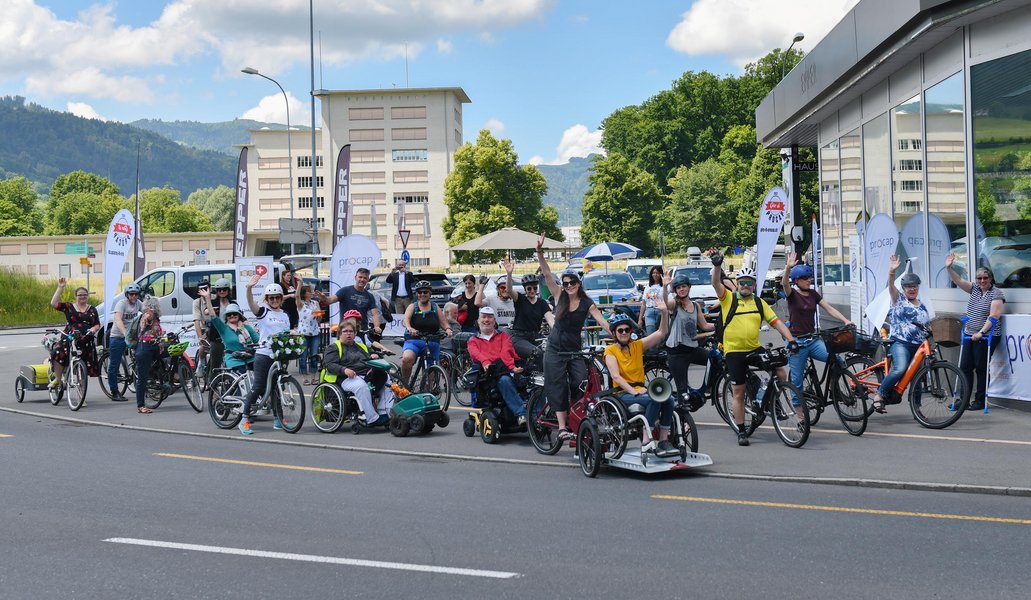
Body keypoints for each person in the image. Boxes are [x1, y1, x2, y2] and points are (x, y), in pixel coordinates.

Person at [711, 254, 798, 446]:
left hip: (752, 348)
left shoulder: (759, 303)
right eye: (742, 283)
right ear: (737, 283)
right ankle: (742, 430)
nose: (745, 286)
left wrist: (791, 340)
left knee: (780, 372)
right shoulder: (728, 299)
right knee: (739, 392)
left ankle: (773, 400)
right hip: (733, 351)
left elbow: (777, 323)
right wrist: (717, 266)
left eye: (749, 283)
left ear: (754, 286)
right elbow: (716, 283)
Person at [537, 233, 611, 440]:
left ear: (579, 283)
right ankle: (562, 427)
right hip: (555, 349)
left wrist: (616, 332)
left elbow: (601, 319)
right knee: (558, 385)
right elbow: (547, 273)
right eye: (566, 282)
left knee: (581, 382)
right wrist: (539, 252)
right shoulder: (559, 296)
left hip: (575, 350)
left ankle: (576, 419)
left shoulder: (587, 303)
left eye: (572, 282)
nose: (568, 285)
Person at [605, 306, 677, 456]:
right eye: (620, 330)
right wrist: (634, 391)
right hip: (622, 393)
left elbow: (662, 332)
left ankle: (663, 441)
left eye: (627, 330)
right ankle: (646, 442)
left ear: (631, 332)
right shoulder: (610, 350)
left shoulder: (637, 346)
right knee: (654, 400)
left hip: (640, 391)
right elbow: (616, 376)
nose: (624, 333)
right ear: (614, 333)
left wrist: (664, 312)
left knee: (669, 400)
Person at [781, 252, 853, 401]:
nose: (809, 280)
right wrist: (788, 268)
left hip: (812, 340)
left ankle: (835, 390)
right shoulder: (792, 295)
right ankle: (800, 416)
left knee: (836, 360)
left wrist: (846, 320)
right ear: (797, 281)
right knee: (797, 382)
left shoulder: (813, 294)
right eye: (805, 278)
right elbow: (784, 284)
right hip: (796, 342)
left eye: (809, 278)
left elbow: (829, 308)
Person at [872, 255, 931, 414]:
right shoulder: (898, 299)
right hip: (901, 343)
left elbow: (926, 324)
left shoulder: (923, 306)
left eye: (914, 286)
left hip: (918, 346)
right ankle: (879, 395)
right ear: (904, 289)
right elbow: (891, 285)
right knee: (900, 369)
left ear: (918, 288)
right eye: (908, 286)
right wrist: (892, 271)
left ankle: (917, 409)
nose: (912, 289)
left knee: (918, 378)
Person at [946, 252, 1003, 411]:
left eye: (985, 278)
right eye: (979, 278)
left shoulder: (996, 293)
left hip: (986, 336)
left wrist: (981, 333)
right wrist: (949, 268)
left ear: (990, 278)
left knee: (980, 368)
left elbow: (994, 316)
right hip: (970, 334)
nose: (982, 281)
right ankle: (963, 400)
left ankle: (979, 400)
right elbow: (958, 280)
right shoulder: (975, 289)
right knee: (965, 367)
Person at [240, 275, 292, 435]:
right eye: (271, 297)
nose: (275, 300)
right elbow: (251, 304)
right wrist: (249, 288)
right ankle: (244, 420)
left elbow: (285, 333)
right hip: (264, 355)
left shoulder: (285, 315)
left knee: (277, 388)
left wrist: (293, 332)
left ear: (281, 298)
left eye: (277, 297)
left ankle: (278, 420)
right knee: (258, 387)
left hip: (279, 356)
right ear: (267, 299)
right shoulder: (263, 312)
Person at [322, 319, 394, 427]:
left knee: (387, 379)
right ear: (340, 334)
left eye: (351, 331)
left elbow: (372, 353)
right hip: (345, 377)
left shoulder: (361, 346)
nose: (348, 334)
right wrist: (344, 370)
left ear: (355, 333)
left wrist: (374, 355)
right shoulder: (333, 347)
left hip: (365, 374)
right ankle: (372, 418)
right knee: (361, 386)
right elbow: (329, 364)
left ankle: (384, 413)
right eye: (345, 331)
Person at [467, 306, 527, 425]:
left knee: (535, 381)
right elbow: (476, 354)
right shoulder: (473, 340)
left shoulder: (503, 336)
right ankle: (521, 414)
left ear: (494, 321)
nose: (486, 320)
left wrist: (511, 367)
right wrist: (485, 362)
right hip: (487, 377)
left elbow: (506, 352)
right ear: (478, 321)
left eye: (490, 317)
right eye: (483, 317)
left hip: (506, 369)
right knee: (504, 381)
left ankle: (535, 414)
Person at [664, 272, 715, 403]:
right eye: (678, 287)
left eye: (684, 286)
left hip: (692, 348)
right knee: (682, 389)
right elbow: (665, 304)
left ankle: (709, 387)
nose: (681, 289)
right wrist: (665, 287)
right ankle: (684, 421)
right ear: (675, 290)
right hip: (677, 352)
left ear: (689, 287)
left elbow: (704, 326)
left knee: (714, 360)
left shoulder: (696, 306)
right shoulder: (674, 304)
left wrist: (721, 324)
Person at [49, 278, 101, 396]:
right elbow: (54, 304)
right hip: (70, 337)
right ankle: (57, 379)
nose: (82, 297)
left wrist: (93, 329)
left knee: (82, 368)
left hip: (85, 339)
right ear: (76, 296)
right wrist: (60, 287)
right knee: (58, 352)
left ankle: (81, 395)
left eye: (85, 295)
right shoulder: (69, 306)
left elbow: (97, 323)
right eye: (80, 295)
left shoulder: (92, 309)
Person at [401, 280, 452, 383]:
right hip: (414, 340)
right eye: (420, 292)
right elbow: (406, 320)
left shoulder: (435, 307)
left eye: (425, 292)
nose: (422, 294)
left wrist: (448, 329)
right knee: (407, 359)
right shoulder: (412, 307)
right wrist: (410, 328)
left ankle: (429, 391)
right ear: (417, 294)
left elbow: (443, 322)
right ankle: (404, 384)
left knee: (432, 373)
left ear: (430, 294)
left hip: (432, 341)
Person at [502, 257, 553, 360]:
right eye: (529, 288)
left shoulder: (542, 303)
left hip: (536, 336)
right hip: (519, 337)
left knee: (551, 352)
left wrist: (560, 330)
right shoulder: (520, 299)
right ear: (525, 289)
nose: (532, 290)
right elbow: (509, 290)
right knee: (536, 352)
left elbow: (551, 320)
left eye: (534, 288)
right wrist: (509, 274)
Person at [316, 268, 382, 336]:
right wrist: (324, 298)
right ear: (355, 278)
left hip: (362, 331)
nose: (362, 280)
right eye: (360, 277)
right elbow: (330, 300)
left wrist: (377, 326)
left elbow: (375, 314)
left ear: (368, 280)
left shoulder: (370, 296)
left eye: (365, 278)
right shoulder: (345, 291)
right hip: (345, 330)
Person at [200, 299, 258, 374]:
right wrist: (207, 297)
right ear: (226, 317)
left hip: (251, 359)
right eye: (229, 314)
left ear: (239, 315)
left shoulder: (247, 328)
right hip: (234, 361)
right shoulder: (224, 328)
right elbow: (213, 316)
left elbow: (258, 340)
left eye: (234, 314)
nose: (232, 316)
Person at [107, 282, 142, 401]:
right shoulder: (121, 304)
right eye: (131, 294)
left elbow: (148, 311)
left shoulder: (138, 303)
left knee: (142, 356)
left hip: (132, 336)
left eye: (136, 294)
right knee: (114, 365)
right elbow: (118, 319)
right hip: (118, 336)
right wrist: (125, 334)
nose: (134, 296)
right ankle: (115, 392)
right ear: (127, 295)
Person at [133, 295, 165, 414]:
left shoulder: (156, 318)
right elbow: (144, 325)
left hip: (154, 346)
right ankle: (140, 405)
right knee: (142, 378)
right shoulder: (147, 315)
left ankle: (170, 378)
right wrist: (148, 315)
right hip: (144, 348)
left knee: (174, 351)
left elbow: (156, 331)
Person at [203, 277, 234, 379]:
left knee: (233, 362)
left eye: (224, 289)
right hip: (216, 337)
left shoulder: (233, 303)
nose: (222, 292)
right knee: (215, 364)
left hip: (230, 337)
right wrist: (211, 310)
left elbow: (240, 317)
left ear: (228, 290)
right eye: (219, 290)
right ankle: (212, 387)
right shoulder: (214, 302)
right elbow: (206, 311)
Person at [296, 285, 322, 385]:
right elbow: (297, 296)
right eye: (308, 291)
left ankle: (313, 377)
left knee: (314, 355)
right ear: (304, 293)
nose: (310, 292)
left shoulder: (315, 303)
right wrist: (300, 283)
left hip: (315, 331)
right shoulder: (301, 304)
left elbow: (319, 319)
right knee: (303, 355)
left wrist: (319, 315)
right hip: (303, 333)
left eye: (310, 291)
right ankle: (304, 377)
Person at [638, 265, 666, 335]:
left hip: (661, 312)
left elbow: (671, 292)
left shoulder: (664, 286)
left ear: (661, 274)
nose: (655, 274)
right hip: (649, 312)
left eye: (657, 273)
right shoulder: (648, 287)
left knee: (661, 335)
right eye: (653, 273)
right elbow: (643, 304)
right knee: (650, 334)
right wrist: (640, 319)